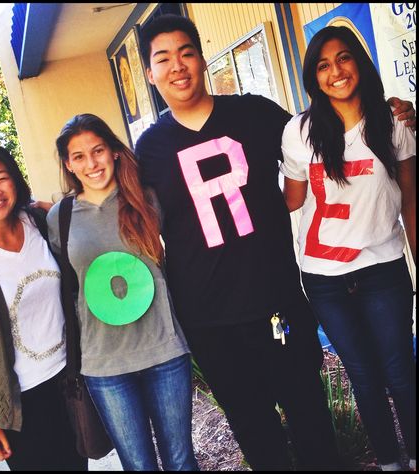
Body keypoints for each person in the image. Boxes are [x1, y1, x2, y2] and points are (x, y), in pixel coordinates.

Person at [135, 14, 416, 471]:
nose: (177, 66)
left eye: (186, 53)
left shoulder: (255, 114)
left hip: (276, 299)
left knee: (308, 415)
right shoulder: (146, 151)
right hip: (208, 314)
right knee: (252, 427)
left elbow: (331, 132)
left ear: (203, 59)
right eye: (163, 58)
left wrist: (393, 113)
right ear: (150, 73)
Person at [280, 26, 416, 472]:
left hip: (382, 267)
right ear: (312, 77)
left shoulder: (394, 122)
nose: (335, 71)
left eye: (344, 58)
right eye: (323, 64)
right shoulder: (299, 131)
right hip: (323, 276)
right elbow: (293, 201)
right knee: (362, 374)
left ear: (359, 61)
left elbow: (411, 201)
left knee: (399, 369)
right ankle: (391, 462)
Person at [46, 113, 199, 471]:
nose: (91, 163)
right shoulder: (60, 216)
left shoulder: (147, 198)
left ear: (114, 151)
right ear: (68, 164)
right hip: (104, 364)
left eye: (98, 150)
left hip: (164, 351)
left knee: (180, 461)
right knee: (138, 465)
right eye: (79, 156)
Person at [0, 142, 88, 471]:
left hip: (71, 383)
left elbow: (75, 213)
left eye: (2, 178)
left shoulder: (38, 220)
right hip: (19, 404)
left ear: (15, 180)